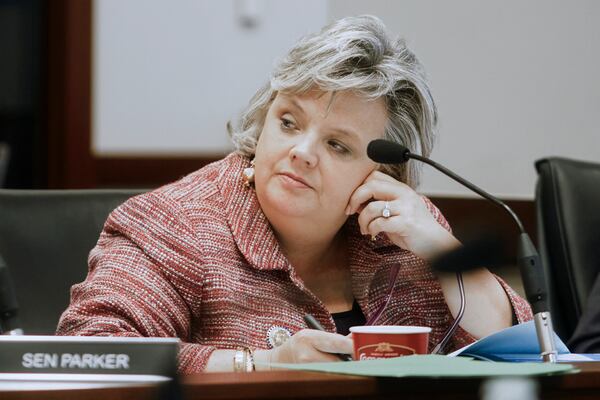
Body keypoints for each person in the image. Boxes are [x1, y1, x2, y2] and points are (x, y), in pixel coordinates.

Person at [56, 15, 532, 373]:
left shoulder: (401, 230)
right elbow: (92, 351)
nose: (301, 152)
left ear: (380, 173)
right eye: (288, 122)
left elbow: (519, 349)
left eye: (337, 145)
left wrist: (440, 248)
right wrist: (259, 364)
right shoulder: (175, 223)